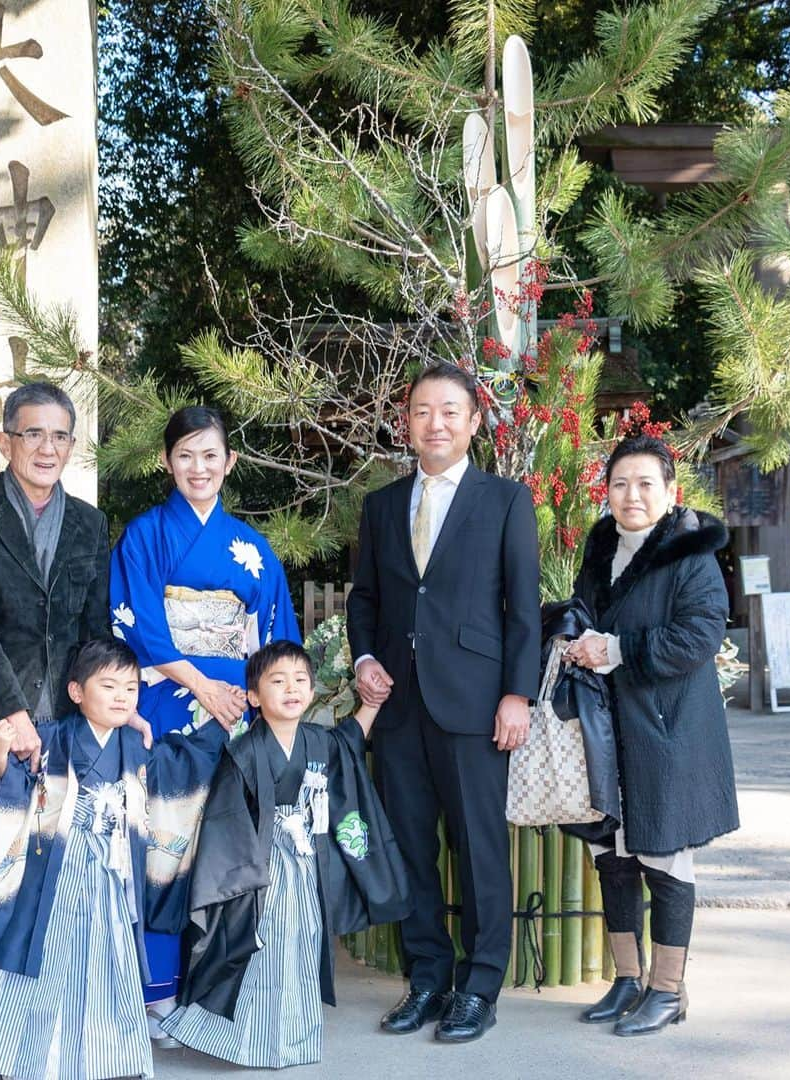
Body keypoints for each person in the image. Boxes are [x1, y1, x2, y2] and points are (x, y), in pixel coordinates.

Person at [346, 362, 541, 1043]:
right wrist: (365, 659)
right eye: (422, 410)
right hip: (398, 705)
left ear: (474, 421)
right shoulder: (380, 505)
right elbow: (364, 598)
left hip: (477, 704)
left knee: (479, 848)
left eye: (449, 411)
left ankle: (479, 986)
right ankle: (427, 976)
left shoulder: (506, 500)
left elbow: (523, 609)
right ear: (407, 421)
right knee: (408, 851)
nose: (435, 423)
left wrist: (518, 693)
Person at [0, 382, 113, 1079]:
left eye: (60, 436)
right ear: (5, 439)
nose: (47, 448)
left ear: (72, 445)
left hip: (66, 733)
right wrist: (12, 715)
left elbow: (95, 633)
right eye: (32, 434)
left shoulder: (91, 526)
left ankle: (44, 1024)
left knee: (58, 882)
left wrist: (97, 711)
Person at [110, 405, 301, 1033]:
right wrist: (204, 686)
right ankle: (158, 993)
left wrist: (249, 694)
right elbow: (135, 624)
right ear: (167, 462)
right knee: (165, 851)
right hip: (166, 711)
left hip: (236, 721)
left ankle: (221, 991)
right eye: (185, 454)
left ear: (230, 462)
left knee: (229, 856)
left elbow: (273, 640)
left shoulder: (253, 548)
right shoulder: (144, 535)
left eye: (210, 454)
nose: (199, 466)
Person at [0, 639, 227, 1080]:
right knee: (48, 963)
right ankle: (31, 1059)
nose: (123, 696)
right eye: (109, 686)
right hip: (57, 880)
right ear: (76, 691)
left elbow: (181, 771)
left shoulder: (138, 745)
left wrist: (218, 727)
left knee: (111, 964)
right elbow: (19, 790)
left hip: (113, 877)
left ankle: (109, 1059)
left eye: (131, 687)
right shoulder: (50, 739)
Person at [160, 640, 411, 1068]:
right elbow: (226, 817)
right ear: (255, 695)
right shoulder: (243, 750)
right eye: (277, 681)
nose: (291, 688)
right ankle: (247, 1040)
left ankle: (292, 1038)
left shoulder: (319, 742)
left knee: (303, 944)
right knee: (261, 947)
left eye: (300, 680)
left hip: (307, 863)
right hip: (260, 867)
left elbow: (350, 741)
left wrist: (371, 705)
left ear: (311, 691)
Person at [565, 433, 739, 1036]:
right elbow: (585, 615)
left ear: (671, 491)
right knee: (611, 856)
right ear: (606, 491)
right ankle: (627, 980)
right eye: (619, 483)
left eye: (645, 483)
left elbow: (699, 636)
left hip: (667, 728)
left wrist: (616, 649)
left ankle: (668, 990)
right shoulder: (601, 547)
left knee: (665, 859)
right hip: (607, 731)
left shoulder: (690, 554)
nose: (631, 494)